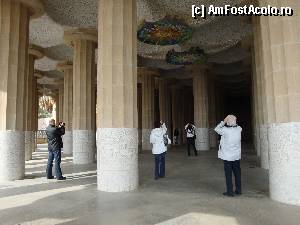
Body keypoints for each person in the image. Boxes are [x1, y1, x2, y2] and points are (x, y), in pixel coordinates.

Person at [215, 115, 242, 197]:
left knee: (228, 174)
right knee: (237, 173)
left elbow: (216, 129)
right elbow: (237, 126)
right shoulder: (239, 129)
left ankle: (230, 192)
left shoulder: (225, 130)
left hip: (227, 157)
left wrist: (223, 121)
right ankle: (238, 190)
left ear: (228, 122)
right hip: (236, 156)